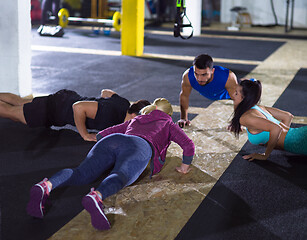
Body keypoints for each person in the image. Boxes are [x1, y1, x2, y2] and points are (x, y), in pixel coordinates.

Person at [26, 98, 195, 230]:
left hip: (112, 140)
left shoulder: (135, 120)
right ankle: (97, 196)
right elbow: (188, 145)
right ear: (169, 114)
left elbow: (104, 134)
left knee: (80, 173)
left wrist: (94, 138)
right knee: (119, 175)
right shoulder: (168, 124)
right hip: (139, 147)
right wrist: (184, 167)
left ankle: (46, 185)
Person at [0, 89, 150, 142]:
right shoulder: (109, 115)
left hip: (65, 97)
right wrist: (84, 134)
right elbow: (78, 108)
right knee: (12, 114)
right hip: (57, 109)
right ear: (134, 116)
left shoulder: (124, 104)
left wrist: (98, 103)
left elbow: (106, 92)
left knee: (20, 102)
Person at [228, 79, 307, 161]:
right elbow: (287, 116)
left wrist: (265, 155)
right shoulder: (259, 108)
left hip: (300, 142)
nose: (233, 95)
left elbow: (276, 128)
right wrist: (281, 139)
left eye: (236, 93)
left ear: (244, 98)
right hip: (300, 134)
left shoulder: (245, 118)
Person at [178, 53, 238, 128]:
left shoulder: (228, 76)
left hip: (227, 94)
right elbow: (184, 95)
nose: (199, 79)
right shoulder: (188, 76)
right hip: (211, 93)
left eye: (204, 74)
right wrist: (183, 118)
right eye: (196, 74)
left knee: (248, 92)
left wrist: (237, 121)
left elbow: (237, 99)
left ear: (212, 71)